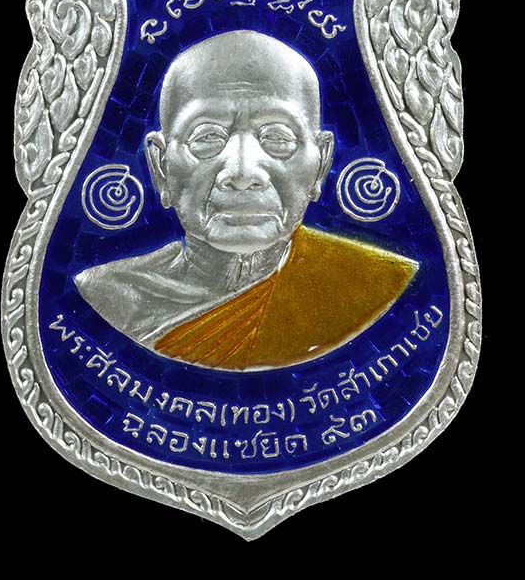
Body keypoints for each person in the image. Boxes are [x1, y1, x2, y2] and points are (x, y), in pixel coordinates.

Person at [75, 30, 417, 370]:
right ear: (160, 166)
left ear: (322, 164)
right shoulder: (108, 295)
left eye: (278, 137)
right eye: (207, 137)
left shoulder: (377, 285)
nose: (242, 172)